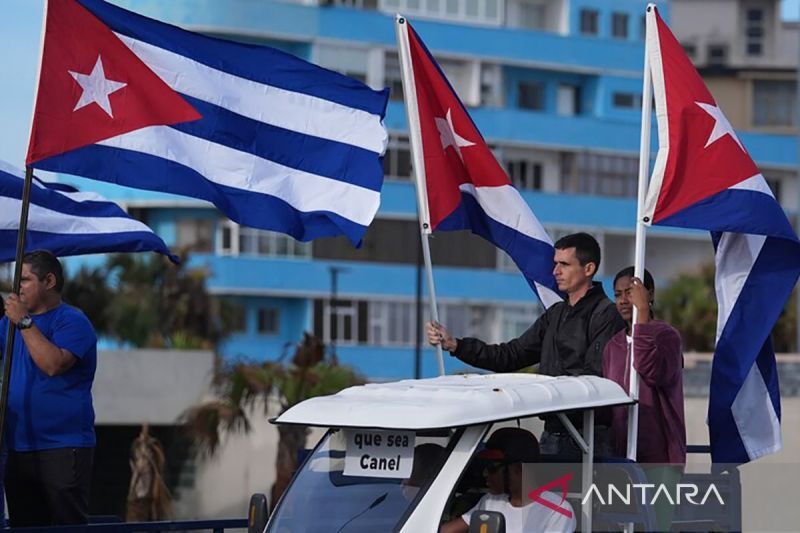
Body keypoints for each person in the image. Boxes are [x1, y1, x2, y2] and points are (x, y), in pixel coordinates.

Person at [427, 233, 625, 455]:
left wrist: (545, 394)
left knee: (581, 491)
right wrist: (456, 345)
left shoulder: (606, 315)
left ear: (589, 269)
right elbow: (511, 355)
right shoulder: (555, 314)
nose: (555, 272)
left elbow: (593, 379)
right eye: (555, 264)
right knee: (542, 490)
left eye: (564, 264)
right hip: (552, 433)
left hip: (588, 437)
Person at [0, 250, 97, 526]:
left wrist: (25, 323)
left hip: (63, 448)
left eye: (25, 280)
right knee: (25, 524)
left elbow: (53, 364)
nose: (16, 288)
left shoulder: (73, 321)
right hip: (19, 446)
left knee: (63, 525)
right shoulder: (8, 324)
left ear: (49, 281)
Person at [603, 266, 685, 531]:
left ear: (648, 294)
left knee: (654, 526)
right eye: (618, 294)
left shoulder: (666, 336)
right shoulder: (612, 346)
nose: (624, 300)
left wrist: (643, 318)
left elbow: (651, 369)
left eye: (630, 292)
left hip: (659, 457)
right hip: (622, 457)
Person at [441, 427, 575, 533]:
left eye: (492, 467)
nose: (485, 473)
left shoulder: (558, 510)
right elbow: (448, 530)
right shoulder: (490, 501)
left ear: (518, 469)